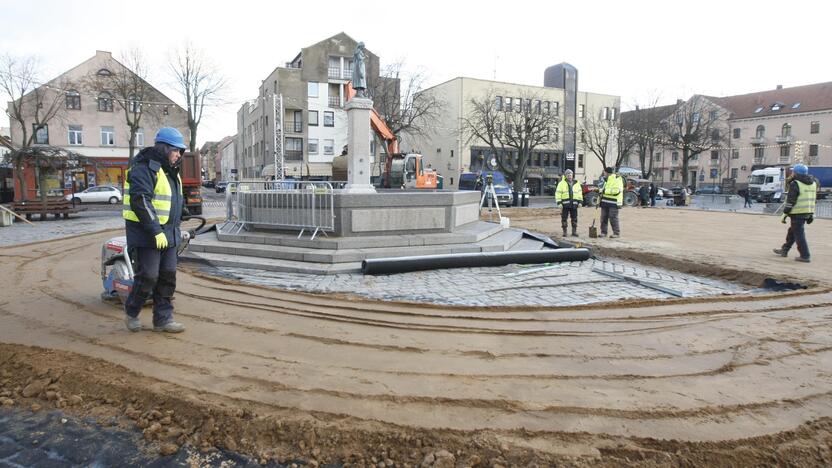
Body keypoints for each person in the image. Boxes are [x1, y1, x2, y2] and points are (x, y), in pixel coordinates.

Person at [122, 127, 188, 333]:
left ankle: (163, 319)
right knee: (149, 276)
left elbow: (168, 199)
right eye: (175, 150)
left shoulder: (170, 171)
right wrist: (155, 231)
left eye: (180, 151)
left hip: (168, 233)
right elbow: (140, 200)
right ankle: (132, 311)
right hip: (145, 233)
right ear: (164, 148)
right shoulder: (143, 166)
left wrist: (181, 212)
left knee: (168, 276)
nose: (178, 155)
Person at [773, 164, 817, 263]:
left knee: (799, 234)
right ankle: (784, 250)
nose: (792, 173)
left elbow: (791, 201)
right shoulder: (813, 183)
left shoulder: (795, 183)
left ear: (796, 173)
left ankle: (805, 256)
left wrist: (784, 214)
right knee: (792, 231)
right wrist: (811, 213)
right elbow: (814, 199)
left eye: (793, 172)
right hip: (807, 212)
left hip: (797, 213)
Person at [555, 169, 583, 237]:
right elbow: (558, 194)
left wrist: (580, 202)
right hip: (565, 205)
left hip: (574, 204)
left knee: (574, 218)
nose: (569, 176)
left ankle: (574, 232)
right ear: (565, 175)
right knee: (564, 218)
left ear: (572, 175)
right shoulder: (561, 184)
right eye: (568, 175)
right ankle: (565, 232)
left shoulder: (577, 183)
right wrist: (559, 203)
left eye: (570, 175)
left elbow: (579, 193)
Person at [599, 167, 624, 238]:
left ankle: (616, 233)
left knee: (613, 218)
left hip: (614, 202)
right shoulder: (605, 180)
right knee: (603, 218)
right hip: (605, 202)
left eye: (604, 172)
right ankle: (603, 232)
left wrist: (604, 191)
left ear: (607, 173)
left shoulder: (617, 179)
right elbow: (602, 190)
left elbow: (616, 191)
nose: (603, 173)